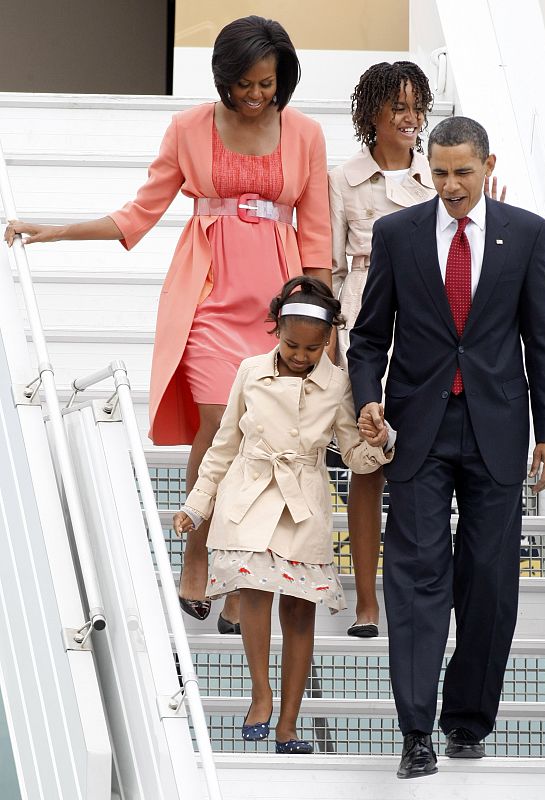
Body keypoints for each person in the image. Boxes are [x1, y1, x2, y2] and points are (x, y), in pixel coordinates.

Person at [3, 16, 332, 634]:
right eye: (245, 85)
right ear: (224, 79)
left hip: (280, 304)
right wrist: (53, 230)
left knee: (265, 435)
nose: (257, 95)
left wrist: (325, 325)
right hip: (209, 298)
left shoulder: (307, 134)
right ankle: (198, 551)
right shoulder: (188, 129)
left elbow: (315, 238)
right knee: (217, 425)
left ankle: (239, 578)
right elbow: (138, 213)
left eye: (268, 83)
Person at [349, 116, 545, 779]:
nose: (449, 186)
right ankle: (416, 732)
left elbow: (543, 338)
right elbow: (367, 337)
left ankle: (467, 723)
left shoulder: (524, 233)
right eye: (438, 172)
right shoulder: (395, 234)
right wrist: (366, 397)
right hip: (417, 430)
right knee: (415, 583)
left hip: (497, 430)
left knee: (489, 585)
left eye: (462, 173)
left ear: (485, 164)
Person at [172, 276, 395, 753]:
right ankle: (260, 692)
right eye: (292, 344)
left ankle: (289, 722)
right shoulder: (250, 371)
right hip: (248, 497)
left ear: (329, 340)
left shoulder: (337, 384)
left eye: (312, 348)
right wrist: (196, 504)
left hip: (304, 503)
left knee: (299, 610)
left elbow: (353, 456)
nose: (300, 355)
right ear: (275, 331)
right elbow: (223, 445)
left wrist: (381, 442)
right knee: (254, 591)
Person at [329, 62, 505, 638]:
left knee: (415, 471)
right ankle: (365, 600)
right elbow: (329, 268)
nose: (410, 118)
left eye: (417, 107)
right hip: (364, 331)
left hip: (429, 345)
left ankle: (422, 595)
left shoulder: (441, 179)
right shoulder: (343, 179)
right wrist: (336, 349)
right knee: (366, 466)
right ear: (371, 113)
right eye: (397, 107)